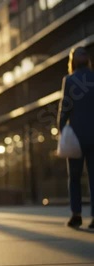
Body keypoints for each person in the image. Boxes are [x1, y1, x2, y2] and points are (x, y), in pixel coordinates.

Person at [57, 47, 94, 229]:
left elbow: (65, 107)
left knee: (75, 177)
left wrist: (62, 128)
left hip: (76, 136)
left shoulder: (70, 80)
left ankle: (76, 215)